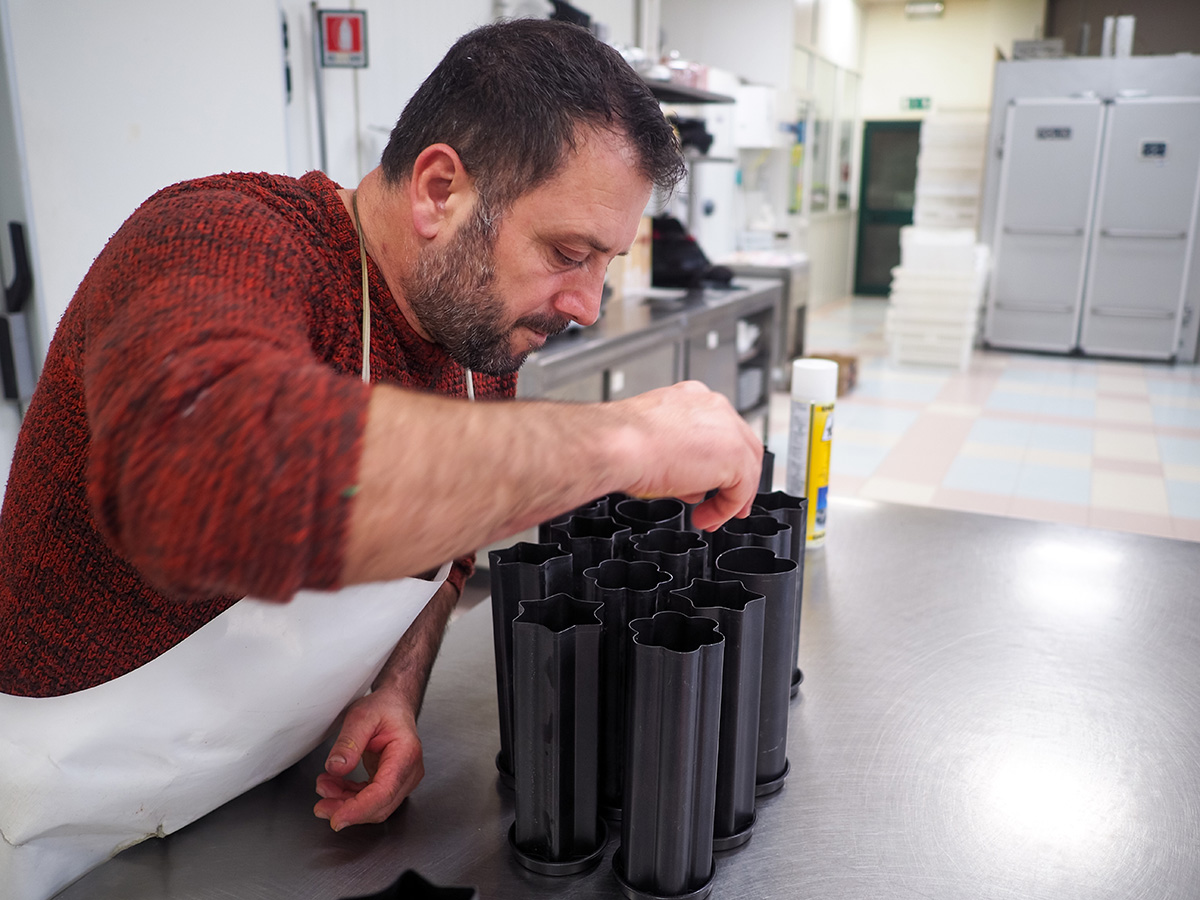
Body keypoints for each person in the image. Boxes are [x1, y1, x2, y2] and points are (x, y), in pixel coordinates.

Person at [0, 17, 763, 899]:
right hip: (55, 828)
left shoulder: (478, 344)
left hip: (265, 810)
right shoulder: (222, 235)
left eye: (607, 264)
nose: (587, 304)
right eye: (567, 253)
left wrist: (396, 688)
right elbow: (205, 477)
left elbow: (445, 557)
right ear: (440, 190)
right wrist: (622, 439)